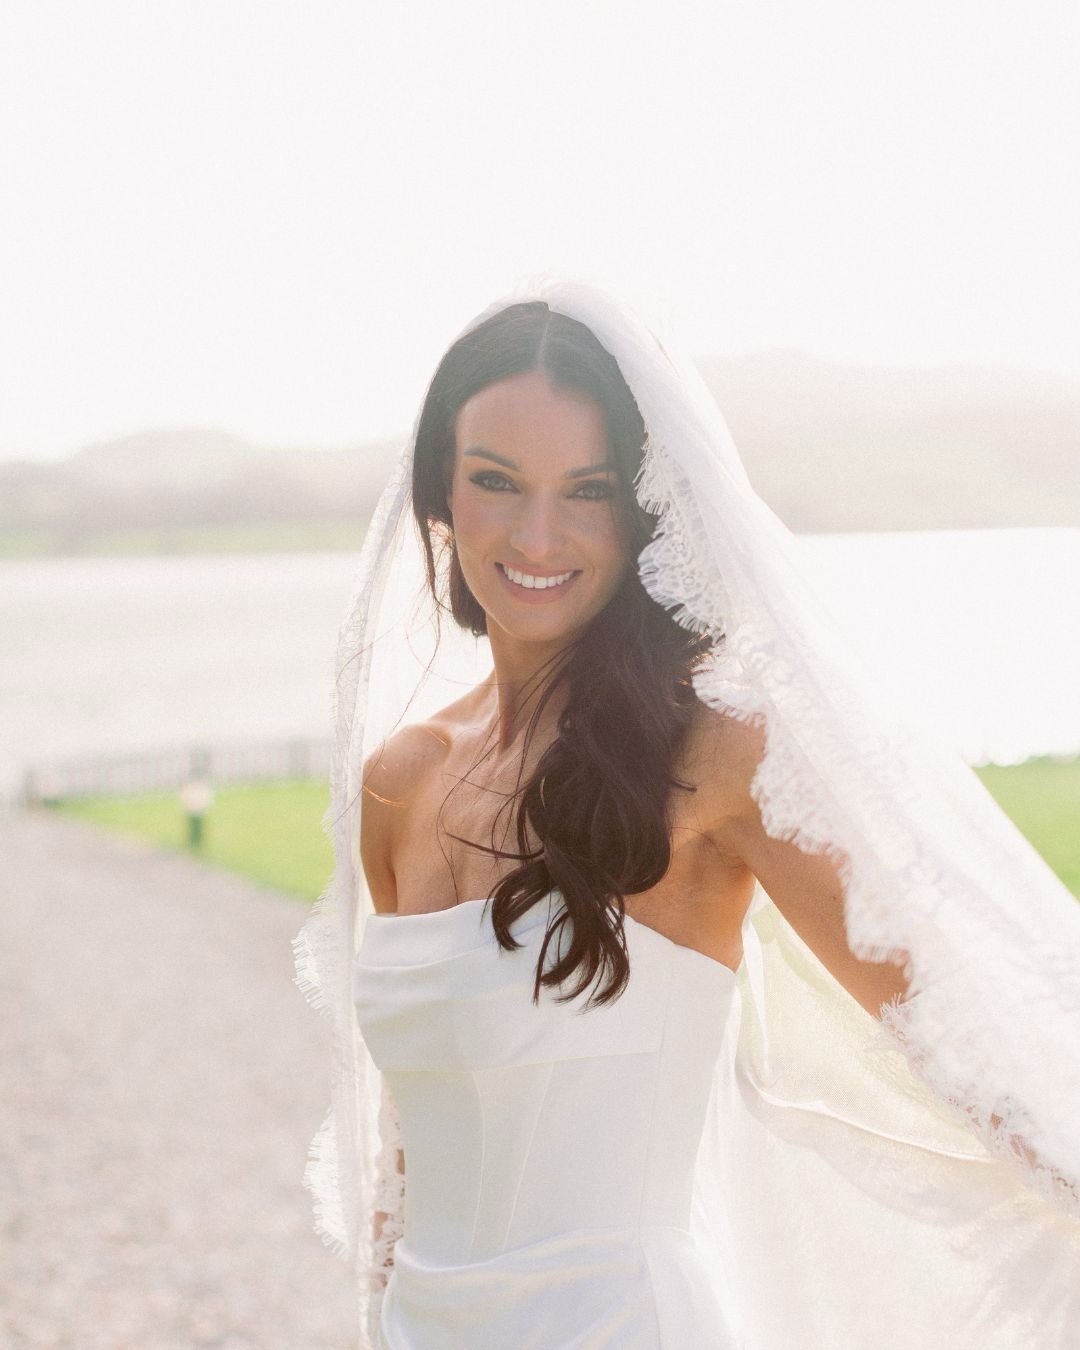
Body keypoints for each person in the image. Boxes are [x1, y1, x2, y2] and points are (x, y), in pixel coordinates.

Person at [294, 280, 1080, 1349]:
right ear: (440, 493)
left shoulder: (715, 757)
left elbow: (956, 1035)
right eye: (496, 480)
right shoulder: (401, 778)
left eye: (589, 489)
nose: (538, 533)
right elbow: (408, 1135)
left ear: (645, 506)